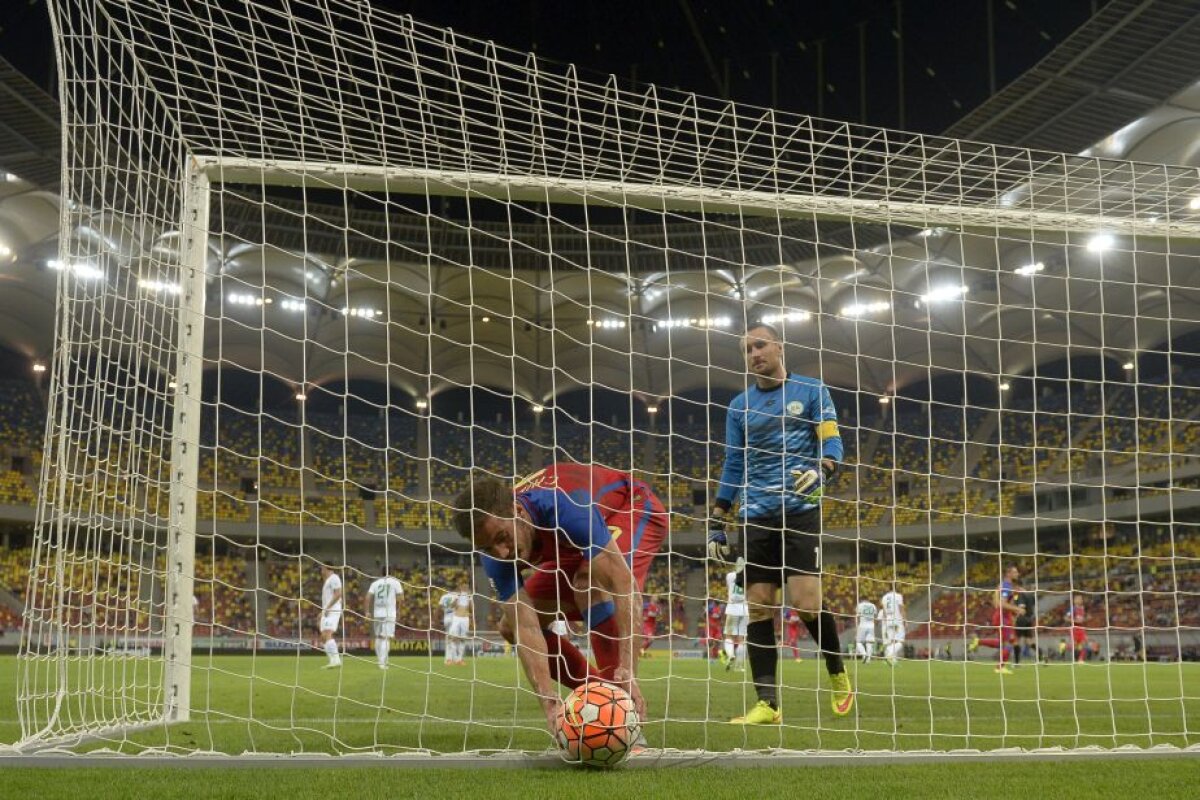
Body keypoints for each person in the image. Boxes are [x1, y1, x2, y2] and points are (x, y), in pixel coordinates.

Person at [707, 321, 852, 724]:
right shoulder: (739, 406)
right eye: (747, 350)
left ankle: (838, 673)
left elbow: (833, 440)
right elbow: (734, 463)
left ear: (779, 347)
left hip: (801, 510)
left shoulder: (812, 390)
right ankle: (768, 703)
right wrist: (717, 518)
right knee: (757, 608)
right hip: (756, 516)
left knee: (806, 605)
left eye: (760, 346)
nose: (754, 355)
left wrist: (823, 469)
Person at [452, 462, 668, 732]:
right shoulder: (495, 554)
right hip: (571, 543)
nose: (503, 553)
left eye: (503, 538)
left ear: (518, 511)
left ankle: (622, 709)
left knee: (589, 582)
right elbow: (525, 625)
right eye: (487, 547)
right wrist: (549, 702)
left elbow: (623, 584)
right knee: (509, 626)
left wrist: (628, 668)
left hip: (630, 506)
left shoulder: (564, 506)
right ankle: (599, 703)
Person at [968, 564, 1024, 674]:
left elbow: (996, 602)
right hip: (1002, 616)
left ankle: (979, 641)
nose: (1017, 574)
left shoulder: (1002, 585)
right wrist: (1017, 609)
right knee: (1009, 642)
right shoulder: (1006, 586)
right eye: (1015, 572)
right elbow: (1001, 604)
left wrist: (1011, 610)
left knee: (1007, 642)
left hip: (1002, 616)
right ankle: (999, 667)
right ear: (1008, 574)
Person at [367, 568, 404, 669]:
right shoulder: (395, 582)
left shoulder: (375, 583)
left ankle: (380, 660)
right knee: (386, 637)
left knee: (378, 637)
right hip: (390, 613)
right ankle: (382, 663)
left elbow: (368, 597)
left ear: (381, 573)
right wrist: (399, 610)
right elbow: (401, 598)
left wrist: (367, 611)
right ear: (392, 573)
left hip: (377, 613)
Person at [722, 569, 748, 671]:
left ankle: (731, 655)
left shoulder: (730, 575)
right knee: (742, 639)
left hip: (732, 608)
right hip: (745, 610)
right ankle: (739, 666)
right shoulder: (750, 576)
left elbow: (729, 587)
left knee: (729, 636)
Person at [318, 564, 343, 669]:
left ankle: (336, 660)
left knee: (328, 633)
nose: (321, 570)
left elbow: (338, 594)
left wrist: (328, 608)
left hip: (333, 610)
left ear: (328, 568)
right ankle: (332, 661)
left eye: (322, 568)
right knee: (323, 637)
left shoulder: (334, 578)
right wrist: (322, 612)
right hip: (327, 610)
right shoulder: (327, 580)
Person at [447, 581, 473, 665]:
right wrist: (456, 599)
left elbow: (472, 610)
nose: (465, 588)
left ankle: (460, 659)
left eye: (467, 586)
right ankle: (452, 658)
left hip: (465, 618)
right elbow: (451, 606)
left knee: (463, 638)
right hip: (456, 618)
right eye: (464, 586)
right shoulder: (456, 595)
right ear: (461, 587)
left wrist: (470, 600)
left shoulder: (470, 596)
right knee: (452, 637)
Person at [879, 585, 906, 666]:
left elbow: (884, 612)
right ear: (895, 588)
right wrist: (905, 620)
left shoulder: (884, 597)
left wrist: (884, 623)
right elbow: (901, 609)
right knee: (900, 641)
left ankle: (893, 661)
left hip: (888, 621)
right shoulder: (898, 596)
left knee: (891, 641)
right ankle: (889, 655)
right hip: (897, 620)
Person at [854, 596, 878, 663]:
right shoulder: (873, 605)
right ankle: (868, 659)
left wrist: (856, 627)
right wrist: (874, 625)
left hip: (862, 625)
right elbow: (875, 617)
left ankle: (864, 655)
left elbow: (857, 617)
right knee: (869, 643)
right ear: (868, 599)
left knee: (858, 642)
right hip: (871, 626)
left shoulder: (860, 605)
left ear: (862, 600)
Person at [1069, 594, 1088, 662]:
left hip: (1081, 628)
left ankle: (1080, 659)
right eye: (1078, 599)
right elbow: (1066, 618)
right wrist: (1075, 621)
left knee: (1084, 643)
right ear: (1074, 600)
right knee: (1075, 645)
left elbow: (1083, 618)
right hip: (1075, 628)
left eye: (1081, 599)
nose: (1080, 600)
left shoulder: (1083, 608)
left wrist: (1085, 619)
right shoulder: (1072, 608)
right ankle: (1067, 648)